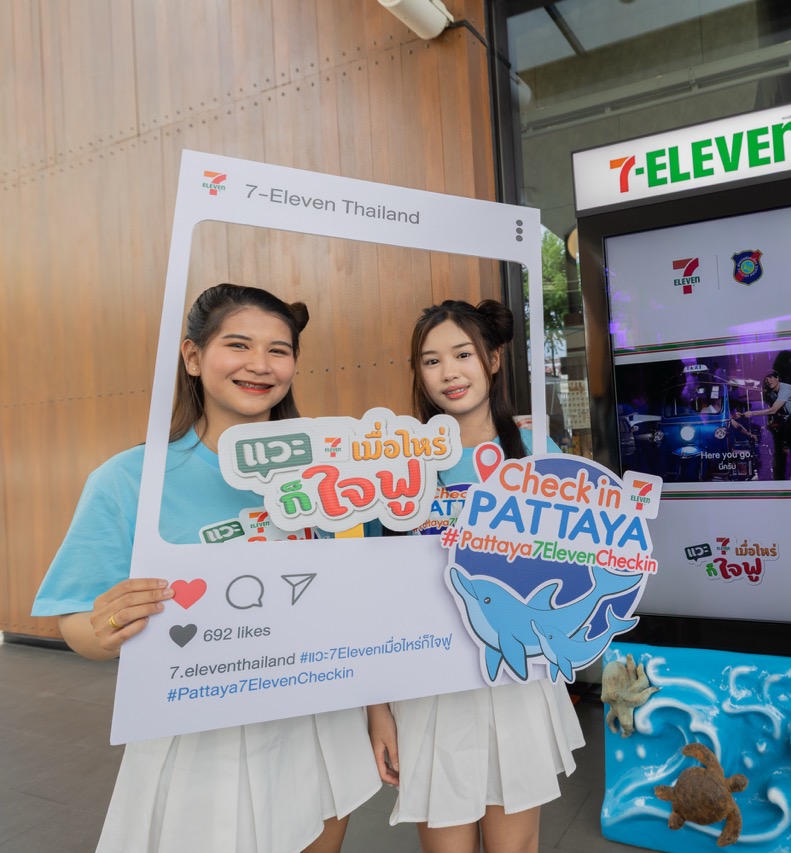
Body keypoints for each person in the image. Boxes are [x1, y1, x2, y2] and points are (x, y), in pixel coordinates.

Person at [31, 283, 381, 853]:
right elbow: (74, 619)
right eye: (238, 345)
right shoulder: (129, 480)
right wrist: (108, 628)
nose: (260, 365)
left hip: (319, 719)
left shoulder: (335, 473)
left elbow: (363, 600)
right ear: (193, 357)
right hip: (200, 733)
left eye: (279, 350)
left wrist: (377, 709)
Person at [367, 299, 584, 853]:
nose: (449, 372)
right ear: (418, 373)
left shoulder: (538, 453)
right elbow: (372, 593)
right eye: (431, 360)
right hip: (427, 686)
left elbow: (576, 568)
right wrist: (377, 707)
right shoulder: (393, 465)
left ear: (491, 359)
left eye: (462, 354)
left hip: (516, 680)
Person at [735, 369, 791, 480]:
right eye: (767, 379)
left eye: (771, 377)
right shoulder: (773, 392)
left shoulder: (785, 389)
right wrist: (743, 415)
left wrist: (752, 413)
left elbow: (773, 410)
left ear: (778, 378)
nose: (768, 381)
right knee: (785, 449)